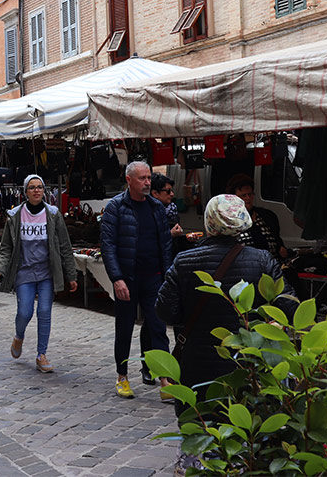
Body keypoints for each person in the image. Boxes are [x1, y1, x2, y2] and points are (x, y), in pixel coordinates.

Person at [155, 194, 295, 475]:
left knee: (197, 413)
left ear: (209, 223)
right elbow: (287, 306)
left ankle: (192, 462)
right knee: (242, 413)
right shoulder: (262, 260)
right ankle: (239, 462)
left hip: (196, 356)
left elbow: (165, 311)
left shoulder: (185, 260)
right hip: (246, 357)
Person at [100, 160, 173, 398]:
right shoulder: (115, 207)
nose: (147, 182)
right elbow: (108, 246)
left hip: (154, 278)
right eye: (142, 178)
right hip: (128, 279)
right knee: (124, 328)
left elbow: (165, 244)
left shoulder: (156, 208)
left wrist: (167, 275)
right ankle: (122, 375)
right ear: (129, 180)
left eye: (149, 178)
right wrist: (117, 278)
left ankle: (165, 380)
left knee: (157, 328)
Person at [0, 174, 78, 373]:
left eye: (40, 187)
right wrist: (0, 268)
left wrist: (71, 275)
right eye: (32, 187)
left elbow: (65, 246)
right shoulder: (15, 215)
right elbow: (6, 247)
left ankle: (41, 354)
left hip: (46, 272)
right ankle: (19, 335)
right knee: (25, 312)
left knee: (44, 312)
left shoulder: (54, 214)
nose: (36, 190)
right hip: (24, 272)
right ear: (25, 191)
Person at [226, 174, 288, 261]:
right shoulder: (228, 221)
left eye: (250, 194)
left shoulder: (268, 216)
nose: (248, 198)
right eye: (243, 195)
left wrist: (282, 250)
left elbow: (278, 243)